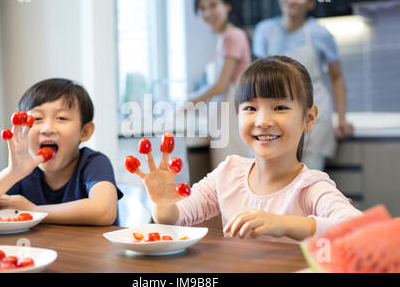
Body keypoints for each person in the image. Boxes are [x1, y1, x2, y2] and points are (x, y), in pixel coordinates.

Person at [132, 56, 361, 242]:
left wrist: (283, 224)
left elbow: (360, 230)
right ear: (237, 116)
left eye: (280, 107)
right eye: (250, 108)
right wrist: (162, 203)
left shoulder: (311, 187)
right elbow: (176, 219)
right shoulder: (228, 173)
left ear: (309, 118)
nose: (263, 120)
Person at [0, 78, 123, 225]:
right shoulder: (25, 172)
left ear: (85, 131)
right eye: (37, 119)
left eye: (61, 118)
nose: (47, 129)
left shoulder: (94, 163)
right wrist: (12, 173)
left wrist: (33, 209)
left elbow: (104, 211)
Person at [252, 0, 354, 170]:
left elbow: (337, 78)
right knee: (274, 183)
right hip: (274, 118)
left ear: (310, 3)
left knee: (309, 182)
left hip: (313, 117)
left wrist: (341, 118)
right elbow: (257, 79)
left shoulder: (321, 34)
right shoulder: (264, 31)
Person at [187, 0, 252, 168]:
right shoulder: (224, 38)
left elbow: (221, 85)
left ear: (228, 6)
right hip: (225, 119)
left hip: (231, 118)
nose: (207, 13)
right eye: (202, 8)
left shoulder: (232, 36)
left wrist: (191, 101)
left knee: (233, 172)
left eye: (213, 5)